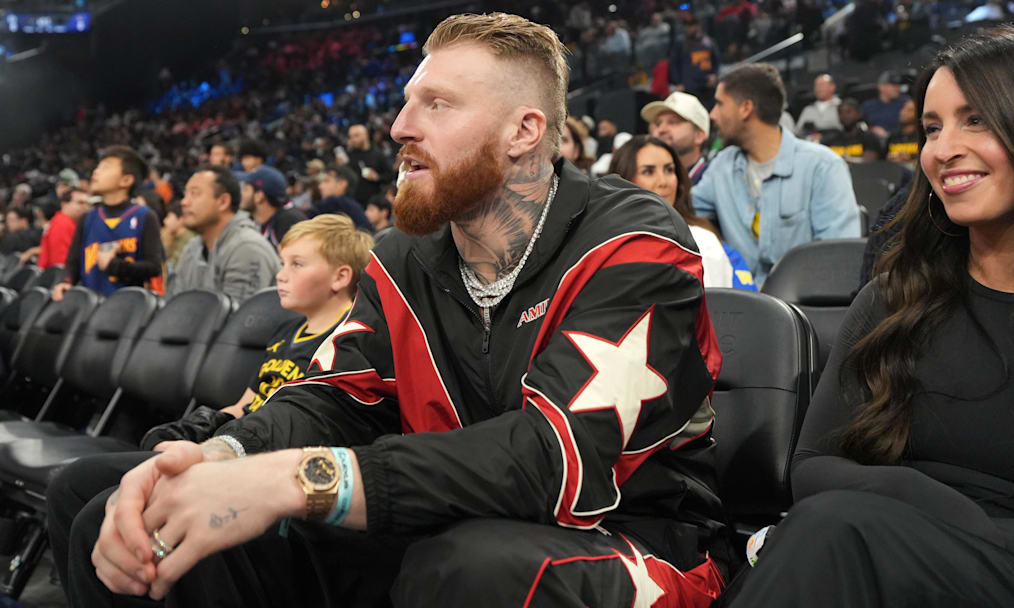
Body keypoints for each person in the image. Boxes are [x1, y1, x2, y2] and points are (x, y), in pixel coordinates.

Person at [53, 13, 731, 608]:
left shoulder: (632, 243)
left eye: (437, 104)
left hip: (627, 537)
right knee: (126, 510)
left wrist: (295, 480)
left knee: (467, 567)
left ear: (524, 131)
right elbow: (333, 398)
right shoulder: (404, 255)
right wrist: (220, 457)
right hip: (446, 521)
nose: (400, 126)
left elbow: (552, 457)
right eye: (407, 102)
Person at [725, 26, 1014, 607]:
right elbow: (812, 466)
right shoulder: (894, 298)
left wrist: (958, 532)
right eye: (932, 128)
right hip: (866, 553)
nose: (942, 150)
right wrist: (911, 500)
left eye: (976, 120)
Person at [141, 214, 373, 446]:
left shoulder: (349, 343)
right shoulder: (286, 331)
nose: (280, 276)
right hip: (242, 440)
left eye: (297, 264)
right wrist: (198, 430)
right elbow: (245, 405)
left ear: (340, 277)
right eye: (282, 264)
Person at [692, 63, 860, 287]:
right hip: (735, 303)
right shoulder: (722, 165)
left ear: (746, 108)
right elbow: (684, 213)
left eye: (720, 104)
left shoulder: (823, 166)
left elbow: (838, 262)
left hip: (802, 305)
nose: (712, 114)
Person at [609, 135, 755, 290]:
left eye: (669, 170)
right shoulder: (605, 243)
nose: (663, 182)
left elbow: (721, 304)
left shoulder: (703, 241)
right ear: (623, 180)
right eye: (648, 171)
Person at [52, 145, 165, 301]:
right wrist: (65, 281)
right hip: (89, 306)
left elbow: (154, 267)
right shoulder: (88, 218)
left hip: (129, 307)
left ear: (126, 180)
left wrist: (114, 266)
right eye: (98, 167)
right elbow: (73, 263)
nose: (96, 171)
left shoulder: (145, 216)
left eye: (105, 167)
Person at [168, 165, 280, 302]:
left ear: (223, 202)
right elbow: (175, 307)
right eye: (185, 194)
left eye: (195, 194)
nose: (184, 202)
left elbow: (242, 315)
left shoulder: (247, 249)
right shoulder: (192, 248)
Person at [642, 91, 713, 184]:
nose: (661, 129)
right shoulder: (642, 180)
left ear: (699, 136)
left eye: (673, 122)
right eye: (658, 124)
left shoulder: (716, 181)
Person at [243, 165, 306, 249]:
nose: (241, 194)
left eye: (246, 189)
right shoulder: (253, 220)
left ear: (259, 196)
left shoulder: (289, 223)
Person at [26, 187, 90, 268]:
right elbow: (60, 263)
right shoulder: (63, 223)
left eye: (87, 203)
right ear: (64, 204)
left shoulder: (61, 220)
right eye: (80, 203)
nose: (86, 207)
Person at [668, 17, 720, 107]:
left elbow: (716, 60)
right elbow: (674, 64)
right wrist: (677, 82)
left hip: (707, 83)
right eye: (687, 26)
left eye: (691, 26)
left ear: (698, 26)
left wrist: (714, 74)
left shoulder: (708, 41)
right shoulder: (681, 43)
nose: (689, 29)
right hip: (689, 85)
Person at [312, 166, 375, 232]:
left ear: (342, 184)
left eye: (327, 181)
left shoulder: (334, 203)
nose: (320, 186)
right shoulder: (355, 208)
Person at [343, 124, 391, 203]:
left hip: (372, 201)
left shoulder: (377, 154)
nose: (353, 139)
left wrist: (378, 177)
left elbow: (390, 175)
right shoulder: (348, 155)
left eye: (356, 135)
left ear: (366, 135)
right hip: (352, 200)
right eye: (350, 137)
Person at [860, 70, 910, 140]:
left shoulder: (906, 103)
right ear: (881, 86)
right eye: (893, 85)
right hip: (875, 141)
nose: (897, 88)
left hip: (901, 140)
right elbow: (860, 124)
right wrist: (871, 129)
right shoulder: (868, 106)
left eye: (898, 85)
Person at [795, 73, 842, 138]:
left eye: (822, 85)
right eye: (817, 85)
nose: (819, 88)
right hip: (810, 142)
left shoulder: (841, 106)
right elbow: (797, 132)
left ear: (832, 87)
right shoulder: (808, 109)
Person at [160, 201, 194, 271]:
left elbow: (171, 266)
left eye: (168, 217)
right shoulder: (174, 237)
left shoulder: (189, 240)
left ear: (180, 220)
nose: (165, 221)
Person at [886, 98, 919, 166]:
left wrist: (910, 160)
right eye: (903, 108)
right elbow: (881, 160)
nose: (903, 112)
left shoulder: (922, 136)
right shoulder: (893, 136)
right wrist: (889, 158)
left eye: (909, 110)